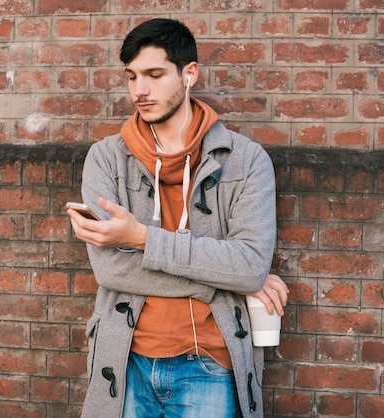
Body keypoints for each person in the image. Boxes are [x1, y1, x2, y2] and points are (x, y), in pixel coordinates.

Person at [67, 18, 288, 418]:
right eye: (132, 77)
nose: (140, 91)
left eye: (154, 74)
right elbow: (111, 271)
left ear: (190, 74)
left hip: (210, 365)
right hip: (124, 361)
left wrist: (141, 239)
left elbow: (251, 264)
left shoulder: (246, 160)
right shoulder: (105, 158)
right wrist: (223, 284)